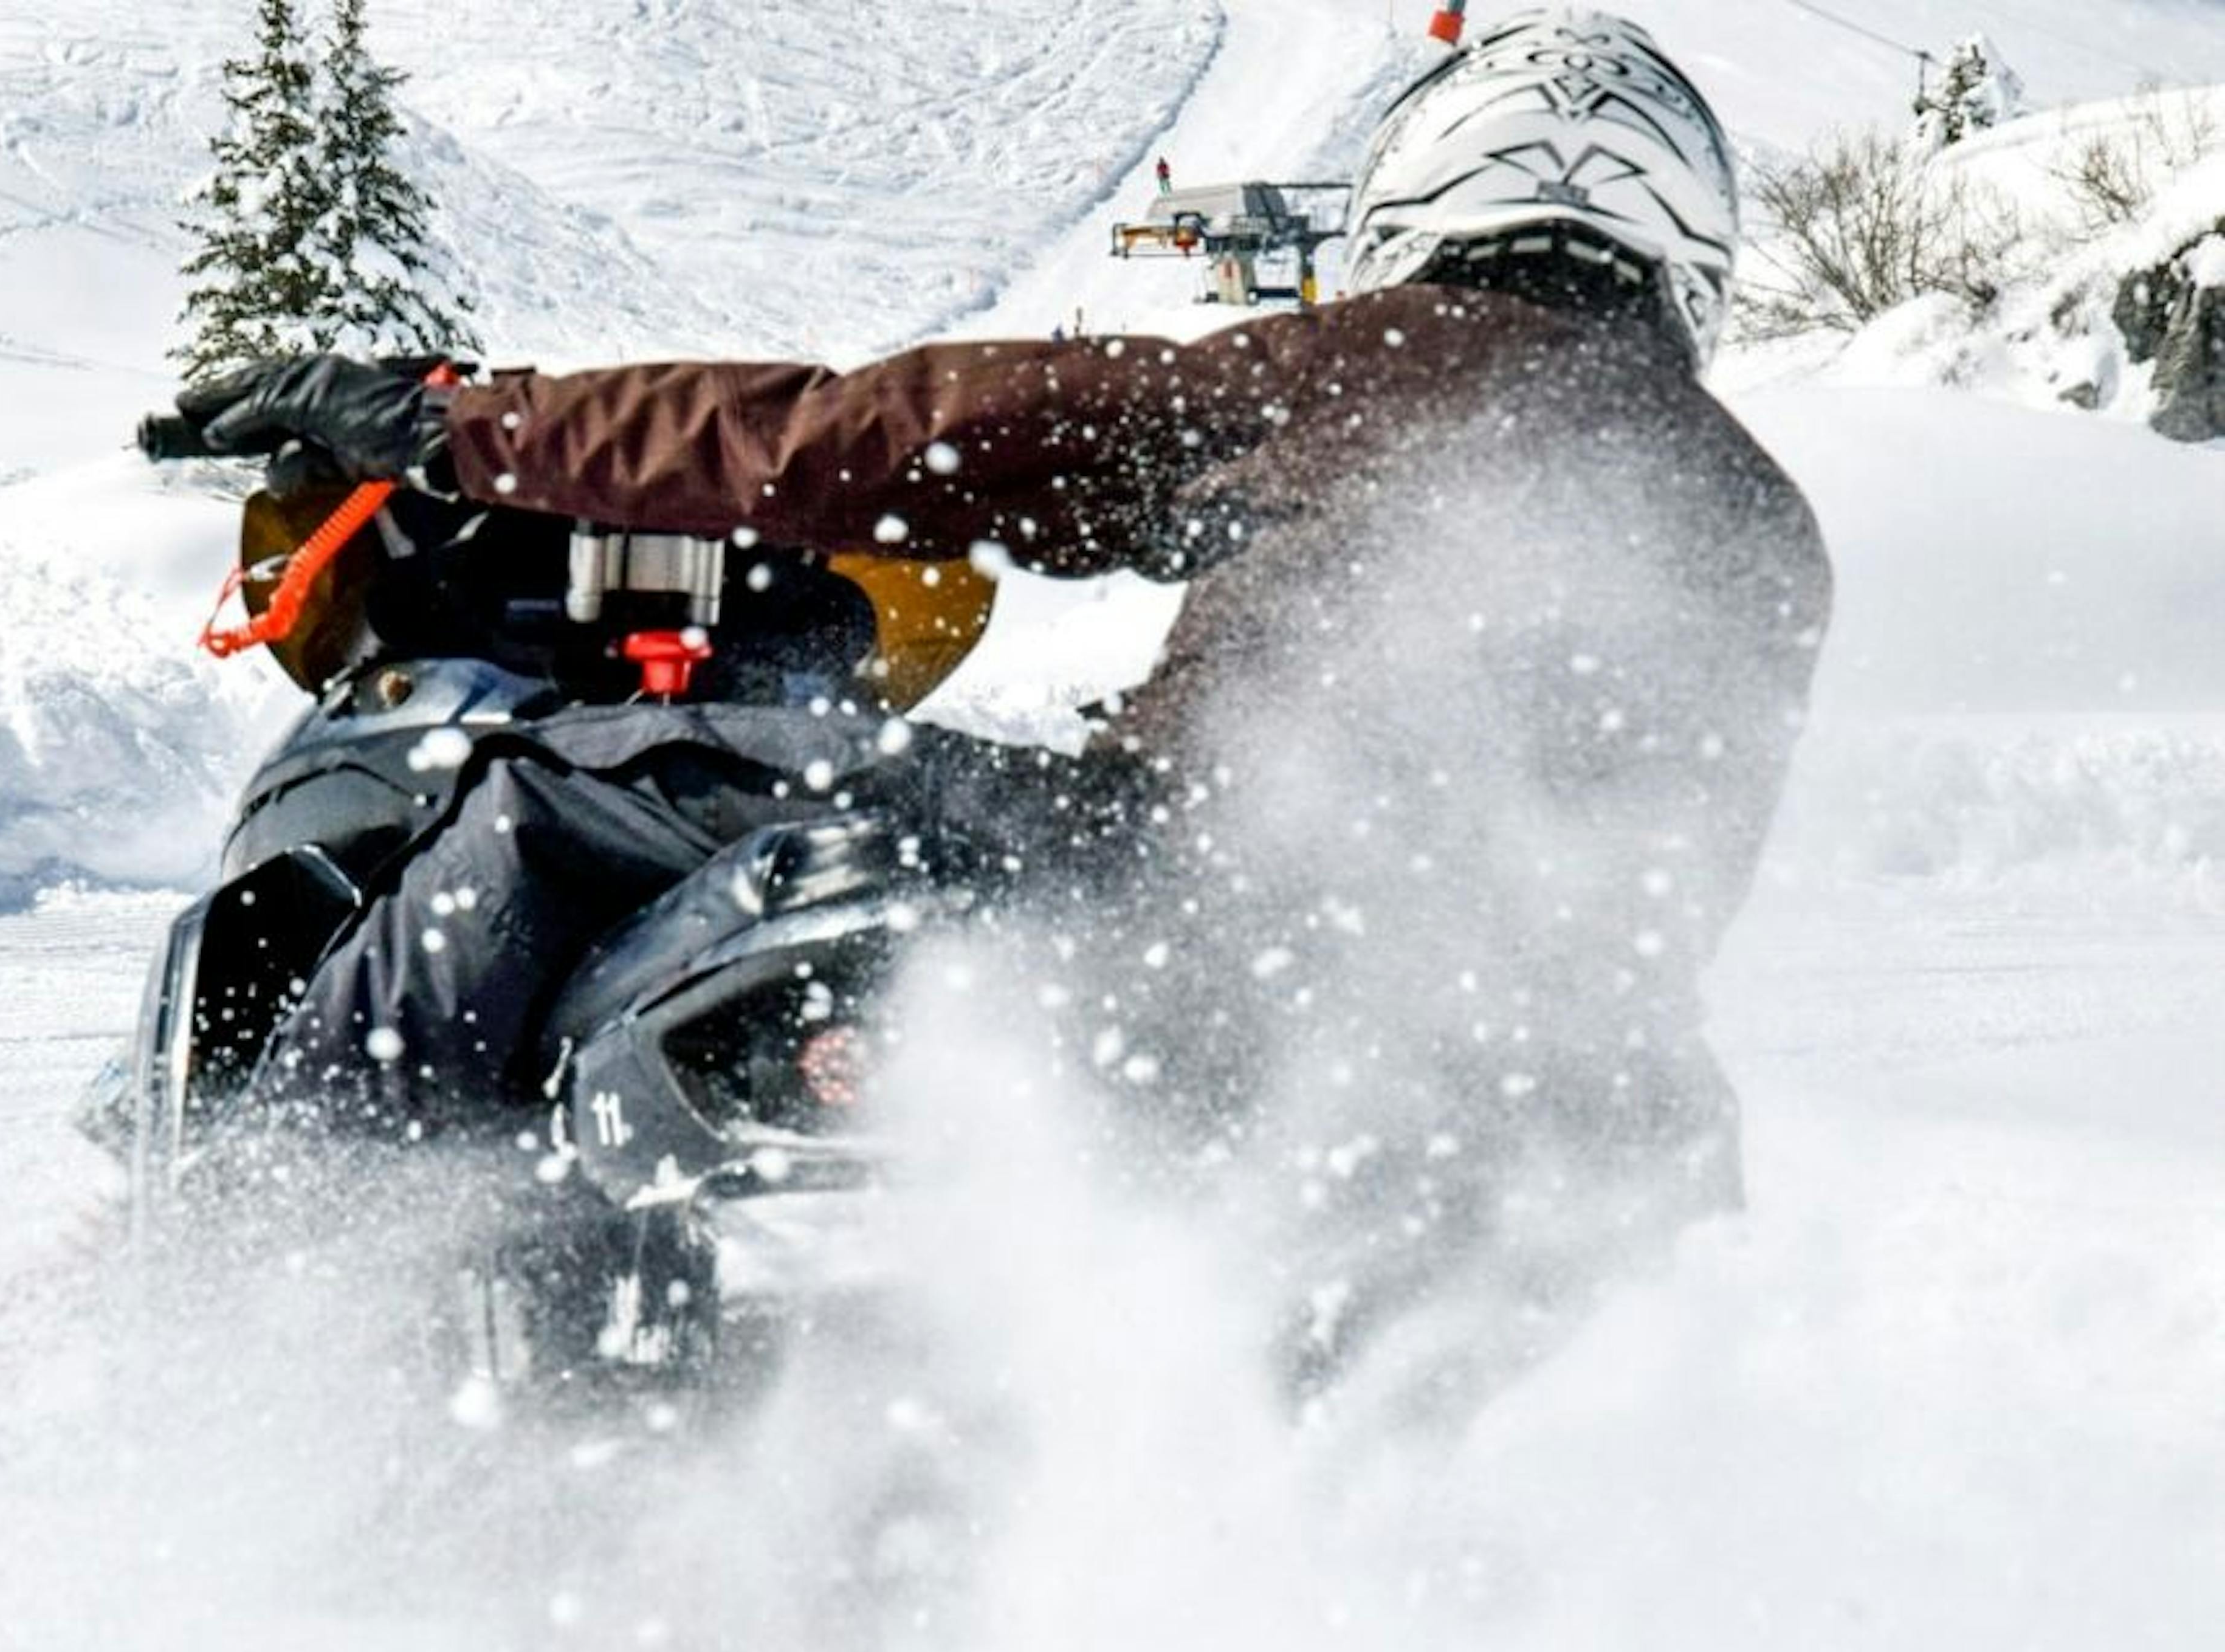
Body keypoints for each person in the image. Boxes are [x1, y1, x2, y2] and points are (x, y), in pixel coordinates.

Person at [180, 9, 1829, 1393]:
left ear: (1431, 193)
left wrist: (467, 428)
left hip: (1200, 916)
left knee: (542, 797)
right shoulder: (1771, 529)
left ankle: (261, 1281)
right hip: (1595, 1102)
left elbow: (854, 441)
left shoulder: (1354, 370)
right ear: (1684, 244)